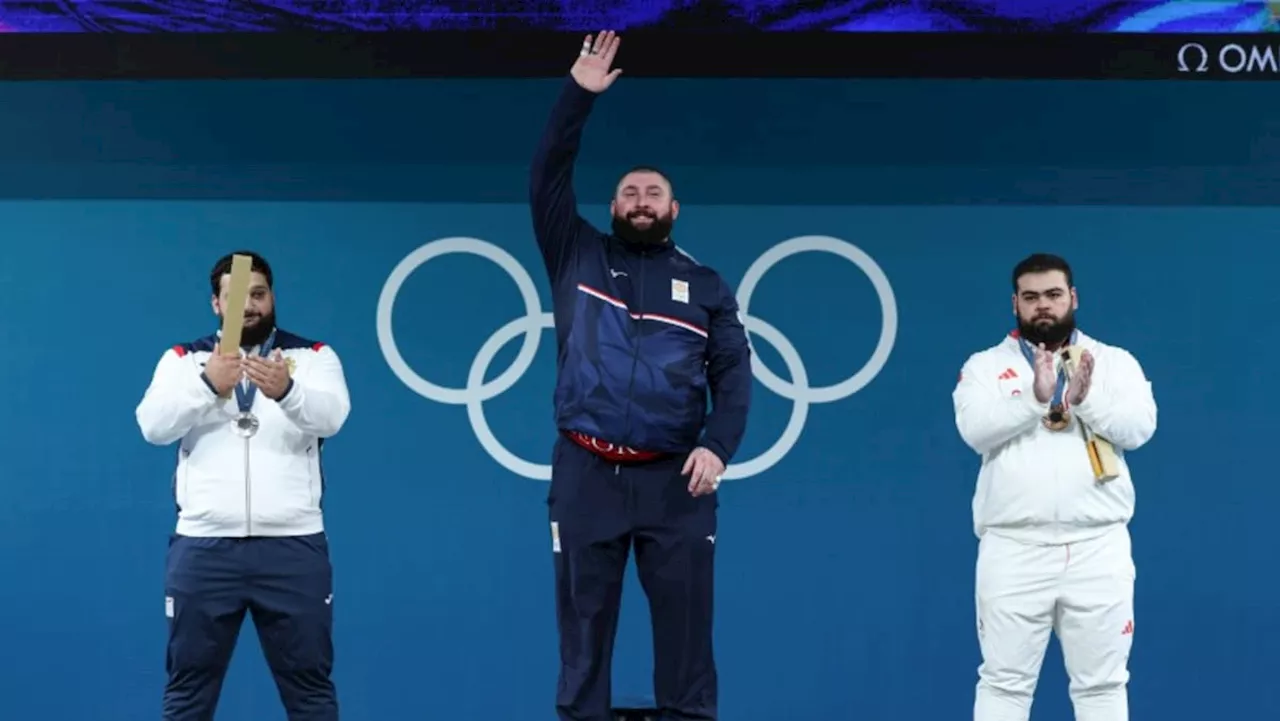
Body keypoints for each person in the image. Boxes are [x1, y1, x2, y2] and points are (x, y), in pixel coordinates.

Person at [528, 30, 753, 721]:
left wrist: (717, 445)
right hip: (586, 471)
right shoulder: (576, 253)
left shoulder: (707, 285)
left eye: (654, 192)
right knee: (583, 637)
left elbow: (736, 375)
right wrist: (578, 97)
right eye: (629, 192)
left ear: (674, 209)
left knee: (686, 641)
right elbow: (548, 177)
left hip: (674, 482)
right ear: (615, 206)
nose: (642, 199)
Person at [135, 251, 351, 721]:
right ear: (216, 304)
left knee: (311, 694)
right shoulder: (182, 360)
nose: (249, 306)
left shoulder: (312, 357)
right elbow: (152, 426)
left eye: (258, 294)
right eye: (235, 298)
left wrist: (288, 392)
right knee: (187, 692)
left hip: (292, 546)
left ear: (272, 298)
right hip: (204, 548)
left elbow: (333, 416)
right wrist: (207, 385)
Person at [951, 253, 1158, 721]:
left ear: (1073, 297)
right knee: (1004, 684)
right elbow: (974, 430)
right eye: (1030, 297)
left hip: (1097, 544)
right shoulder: (985, 366)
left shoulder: (1114, 361)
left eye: (1052, 295)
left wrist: (1086, 400)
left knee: (1102, 685)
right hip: (1014, 546)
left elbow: (1140, 427)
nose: (1042, 306)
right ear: (1015, 304)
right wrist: (1035, 398)